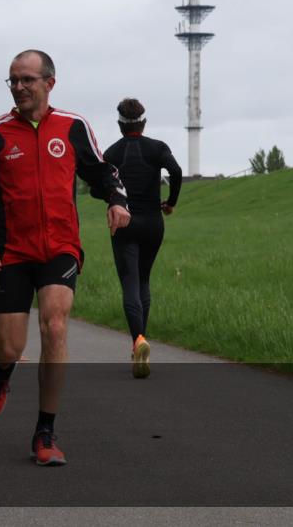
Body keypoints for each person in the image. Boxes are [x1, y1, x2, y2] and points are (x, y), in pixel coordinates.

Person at [0, 49, 130, 466]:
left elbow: (100, 170)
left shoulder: (73, 127)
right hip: (11, 252)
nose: (19, 87)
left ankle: (45, 432)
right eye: (13, 80)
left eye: (27, 80)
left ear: (49, 83)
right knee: (12, 345)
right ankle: (3, 370)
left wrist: (116, 199)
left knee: (54, 325)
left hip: (60, 247)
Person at [103, 98, 182, 379]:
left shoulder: (111, 152)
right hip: (153, 223)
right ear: (144, 122)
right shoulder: (157, 148)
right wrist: (170, 201)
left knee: (130, 283)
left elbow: (97, 186)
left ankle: (138, 340)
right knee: (144, 280)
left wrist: (112, 200)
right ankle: (140, 342)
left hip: (124, 223)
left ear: (119, 125)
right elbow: (176, 171)